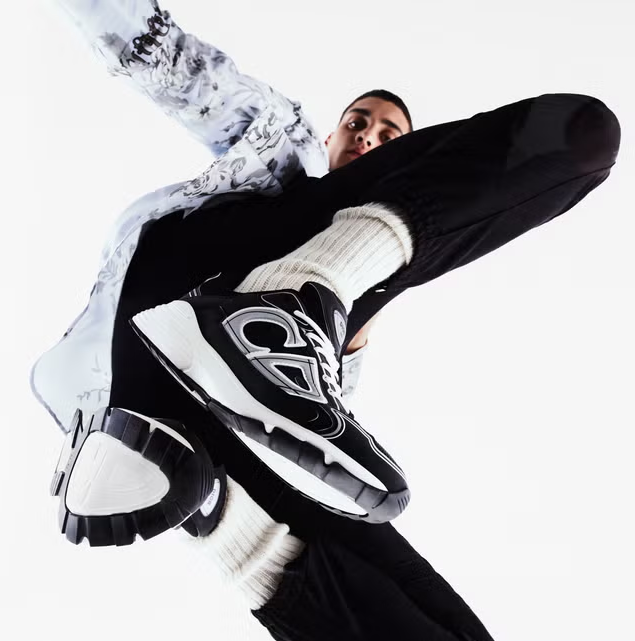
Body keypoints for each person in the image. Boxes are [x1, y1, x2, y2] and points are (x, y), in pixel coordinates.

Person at [36, 1, 622, 639]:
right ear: (330, 137)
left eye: (389, 134)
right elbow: (162, 57)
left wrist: (353, 338)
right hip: (172, 292)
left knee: (418, 605)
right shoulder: (280, 149)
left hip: (178, 416)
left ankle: (213, 512)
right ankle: (282, 308)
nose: (367, 136)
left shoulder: (369, 308)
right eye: (357, 122)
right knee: (579, 132)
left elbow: (304, 430)